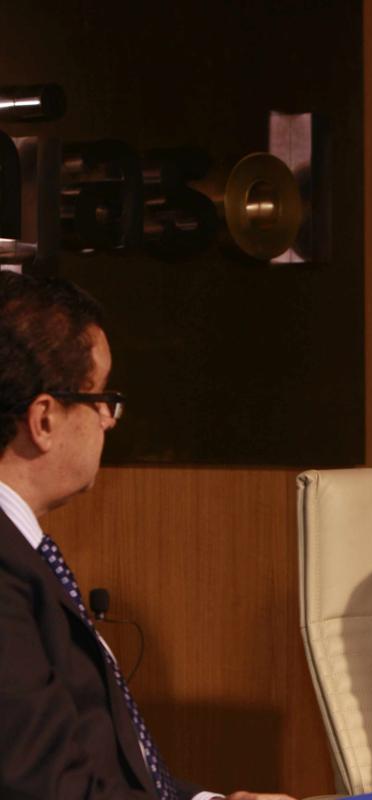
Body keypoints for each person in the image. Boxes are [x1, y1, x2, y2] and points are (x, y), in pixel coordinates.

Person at [0, 271, 294, 800]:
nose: (110, 421)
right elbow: (46, 788)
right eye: (101, 397)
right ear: (43, 419)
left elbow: (98, 769)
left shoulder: (22, 553)